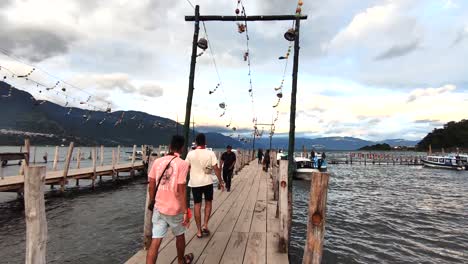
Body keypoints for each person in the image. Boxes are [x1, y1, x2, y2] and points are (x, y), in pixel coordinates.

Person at [146, 135, 194, 264]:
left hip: (158, 208)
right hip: (174, 209)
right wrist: (185, 212)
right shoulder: (182, 164)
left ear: (170, 146)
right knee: (180, 235)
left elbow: (151, 183)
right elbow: (181, 190)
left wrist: (153, 200)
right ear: (183, 148)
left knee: (155, 241)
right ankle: (180, 260)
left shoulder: (157, 162)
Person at [186, 133, 224, 239]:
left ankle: (198, 231)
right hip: (207, 182)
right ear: (205, 142)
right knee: (208, 203)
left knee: (197, 205)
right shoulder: (210, 153)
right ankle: (205, 225)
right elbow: (216, 168)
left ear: (196, 142)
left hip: (195, 183)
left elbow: (186, 168)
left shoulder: (190, 154)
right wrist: (221, 181)